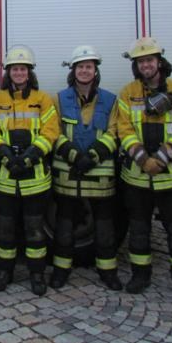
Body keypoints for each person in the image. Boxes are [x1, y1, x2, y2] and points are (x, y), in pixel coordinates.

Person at [116, 37, 172, 300]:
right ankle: (140, 276)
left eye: (150, 60)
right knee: (139, 230)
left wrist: (161, 159)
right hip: (138, 177)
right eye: (141, 62)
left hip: (171, 176)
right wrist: (143, 159)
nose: (146, 65)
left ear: (159, 62)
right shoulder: (128, 93)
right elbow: (124, 129)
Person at [0, 45, 59, 296]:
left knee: (35, 230)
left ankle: (37, 274)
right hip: (6, 178)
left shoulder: (43, 99)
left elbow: (51, 131)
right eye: (14, 69)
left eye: (23, 69)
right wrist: (4, 153)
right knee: (5, 229)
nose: (19, 73)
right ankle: (4, 272)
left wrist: (31, 155)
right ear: (8, 72)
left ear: (29, 72)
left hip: (35, 178)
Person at [50, 45, 122, 291]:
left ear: (95, 71)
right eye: (80, 66)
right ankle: (61, 271)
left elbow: (114, 131)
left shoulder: (111, 100)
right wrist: (72, 154)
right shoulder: (59, 99)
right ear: (73, 71)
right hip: (68, 175)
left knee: (104, 227)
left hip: (100, 175)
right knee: (64, 226)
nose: (84, 71)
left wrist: (93, 155)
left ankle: (108, 272)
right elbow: (53, 131)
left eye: (88, 66)